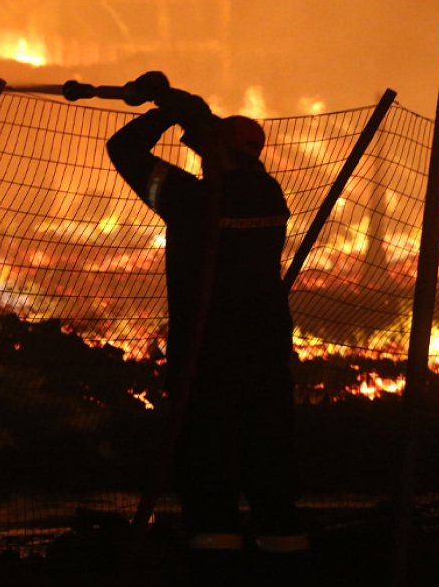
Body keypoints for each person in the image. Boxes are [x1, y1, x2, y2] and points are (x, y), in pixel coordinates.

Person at [105, 72, 307, 579]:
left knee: (208, 468)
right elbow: (235, 167)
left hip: (207, 362)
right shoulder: (269, 195)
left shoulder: (189, 201)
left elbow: (124, 148)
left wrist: (170, 111)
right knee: (271, 470)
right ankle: (286, 563)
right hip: (266, 362)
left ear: (217, 148)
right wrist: (203, 124)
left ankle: (215, 566)